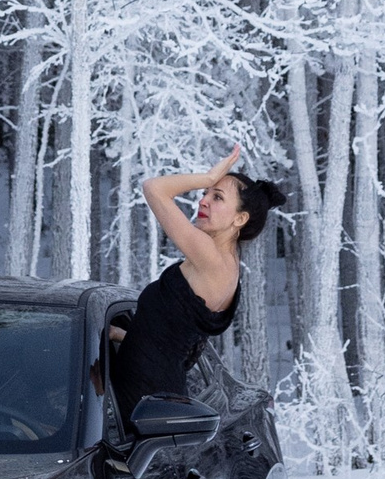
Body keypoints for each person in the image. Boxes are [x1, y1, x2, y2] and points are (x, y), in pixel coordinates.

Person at [110, 147, 284, 419]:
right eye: (205, 193)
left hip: (141, 401)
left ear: (240, 219)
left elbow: (153, 188)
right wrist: (120, 335)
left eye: (217, 197)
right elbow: (169, 340)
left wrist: (208, 176)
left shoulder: (210, 257)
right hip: (155, 397)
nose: (203, 201)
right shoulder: (228, 268)